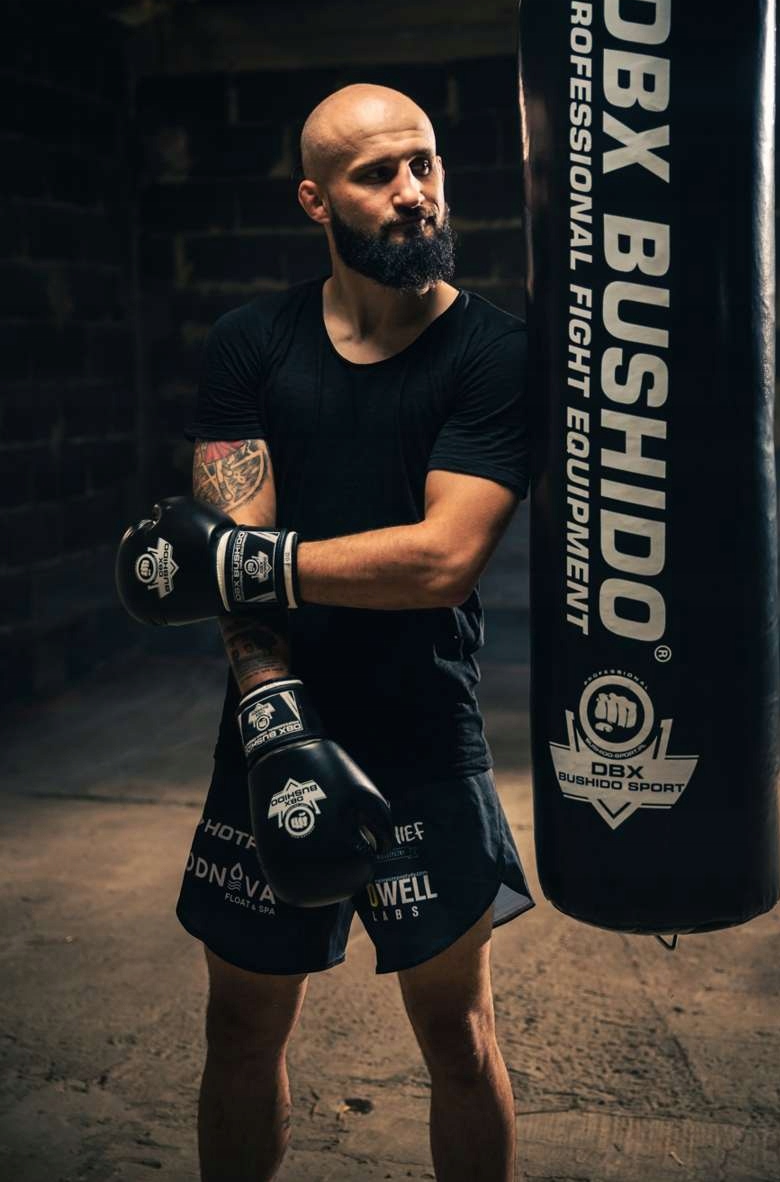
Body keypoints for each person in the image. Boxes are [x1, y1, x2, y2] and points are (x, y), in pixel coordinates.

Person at [175, 82, 534, 1182]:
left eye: (425, 163)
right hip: (271, 729)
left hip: (424, 734)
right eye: (378, 175)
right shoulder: (249, 344)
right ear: (315, 201)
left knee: (458, 1039)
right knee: (241, 1030)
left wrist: (251, 564)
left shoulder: (493, 354)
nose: (414, 192)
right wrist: (275, 718)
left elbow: (441, 560)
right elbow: (238, 565)